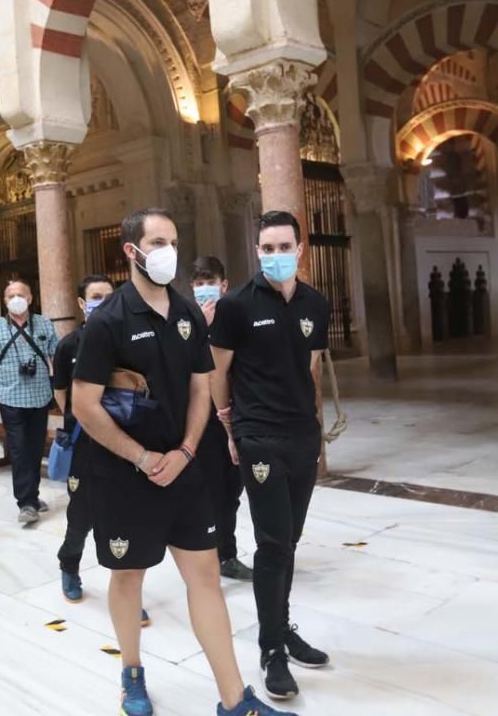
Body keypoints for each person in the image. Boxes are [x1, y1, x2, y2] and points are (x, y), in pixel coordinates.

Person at [72, 209, 294, 716]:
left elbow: (202, 387)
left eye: (173, 239)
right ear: (132, 251)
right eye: (157, 241)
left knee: (205, 577)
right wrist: (145, 457)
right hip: (126, 474)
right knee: (129, 576)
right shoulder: (108, 322)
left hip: (184, 470)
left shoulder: (189, 315)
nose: (168, 250)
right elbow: (84, 406)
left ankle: (236, 700)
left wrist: (188, 450)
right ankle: (131, 671)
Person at [210, 211, 332, 701]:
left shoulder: (315, 304)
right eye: (267, 248)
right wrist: (228, 424)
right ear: (256, 251)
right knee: (272, 542)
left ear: (300, 250)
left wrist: (316, 426)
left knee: (291, 539)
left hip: (302, 435)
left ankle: (282, 629)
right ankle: (270, 649)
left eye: (285, 247)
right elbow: (219, 370)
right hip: (257, 435)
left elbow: (312, 369)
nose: (276, 256)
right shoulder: (237, 305)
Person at [192, 257, 254, 583]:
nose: (205, 289)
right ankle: (217, 555)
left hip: (238, 413)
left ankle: (224, 551)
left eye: (210, 282)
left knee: (232, 489)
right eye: (199, 284)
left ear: (224, 284)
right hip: (204, 421)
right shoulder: (185, 324)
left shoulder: (236, 317)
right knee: (212, 490)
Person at [0, 280, 58, 525]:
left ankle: (32, 494)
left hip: (40, 396)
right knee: (20, 449)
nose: (16, 299)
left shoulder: (43, 324)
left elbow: (56, 355)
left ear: (30, 298)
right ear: (4, 301)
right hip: (10, 398)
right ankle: (26, 503)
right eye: (10, 295)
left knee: (35, 448)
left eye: (20, 294)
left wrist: (63, 389)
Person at [53, 274, 114, 600]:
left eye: (109, 296)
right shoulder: (69, 346)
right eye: (96, 297)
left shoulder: (124, 342)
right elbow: (61, 392)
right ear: (81, 303)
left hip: (120, 443)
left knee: (122, 517)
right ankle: (69, 565)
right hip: (84, 446)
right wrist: (80, 420)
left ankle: (127, 591)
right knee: (81, 516)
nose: (103, 302)